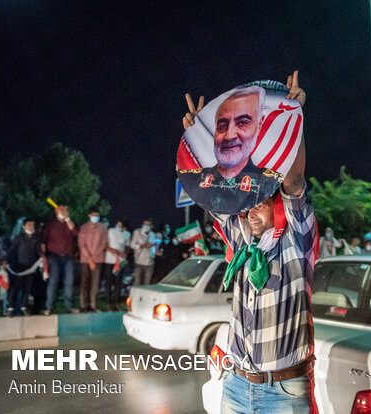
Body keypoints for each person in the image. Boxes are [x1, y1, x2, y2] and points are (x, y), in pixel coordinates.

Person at [182, 71, 317, 413]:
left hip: (283, 391)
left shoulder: (296, 242)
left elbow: (295, 179)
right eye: (248, 205)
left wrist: (291, 118)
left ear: (279, 207)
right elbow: (212, 192)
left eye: (261, 203)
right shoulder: (240, 241)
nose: (252, 211)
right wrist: (199, 133)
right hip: (236, 384)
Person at [180, 87, 280, 215]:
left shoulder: (269, 179)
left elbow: (295, 186)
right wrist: (199, 133)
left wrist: (296, 115)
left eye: (242, 123)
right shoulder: (213, 184)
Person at [42, 205, 79, 315]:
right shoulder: (50, 225)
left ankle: (69, 306)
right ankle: (49, 307)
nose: (63, 211)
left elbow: (75, 232)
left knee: (69, 282)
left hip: (68, 256)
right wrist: (43, 256)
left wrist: (67, 218)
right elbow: (43, 241)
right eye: (60, 209)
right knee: (53, 282)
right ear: (56, 210)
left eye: (65, 209)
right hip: (53, 257)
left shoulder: (71, 223)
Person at [6, 218, 43, 316]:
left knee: (28, 288)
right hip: (19, 266)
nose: (31, 227)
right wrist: (7, 261)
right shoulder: (19, 237)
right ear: (24, 226)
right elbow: (11, 250)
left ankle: (24, 306)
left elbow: (38, 251)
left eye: (33, 225)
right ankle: (10, 307)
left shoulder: (36, 238)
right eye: (29, 225)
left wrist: (42, 257)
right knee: (15, 287)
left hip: (31, 267)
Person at [77, 207, 108, 312]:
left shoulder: (103, 227)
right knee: (84, 283)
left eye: (97, 216)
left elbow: (104, 242)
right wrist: (90, 259)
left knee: (95, 283)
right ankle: (83, 305)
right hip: (85, 260)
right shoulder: (83, 228)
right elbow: (81, 245)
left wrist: (94, 256)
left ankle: (93, 305)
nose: (95, 217)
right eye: (93, 215)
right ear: (89, 215)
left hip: (98, 259)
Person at [104, 218, 131, 311]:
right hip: (110, 260)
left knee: (118, 282)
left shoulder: (127, 234)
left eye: (121, 226)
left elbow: (127, 247)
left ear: (125, 227)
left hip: (120, 261)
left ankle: (116, 301)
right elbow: (105, 244)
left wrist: (125, 254)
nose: (118, 226)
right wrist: (113, 250)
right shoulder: (110, 231)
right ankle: (108, 302)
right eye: (118, 224)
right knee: (109, 281)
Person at [130, 219, 156, 286]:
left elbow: (153, 247)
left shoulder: (152, 234)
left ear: (151, 226)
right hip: (139, 261)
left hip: (150, 262)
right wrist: (142, 246)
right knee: (137, 283)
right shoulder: (137, 232)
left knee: (147, 284)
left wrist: (155, 252)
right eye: (145, 224)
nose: (146, 226)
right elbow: (132, 245)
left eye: (148, 225)